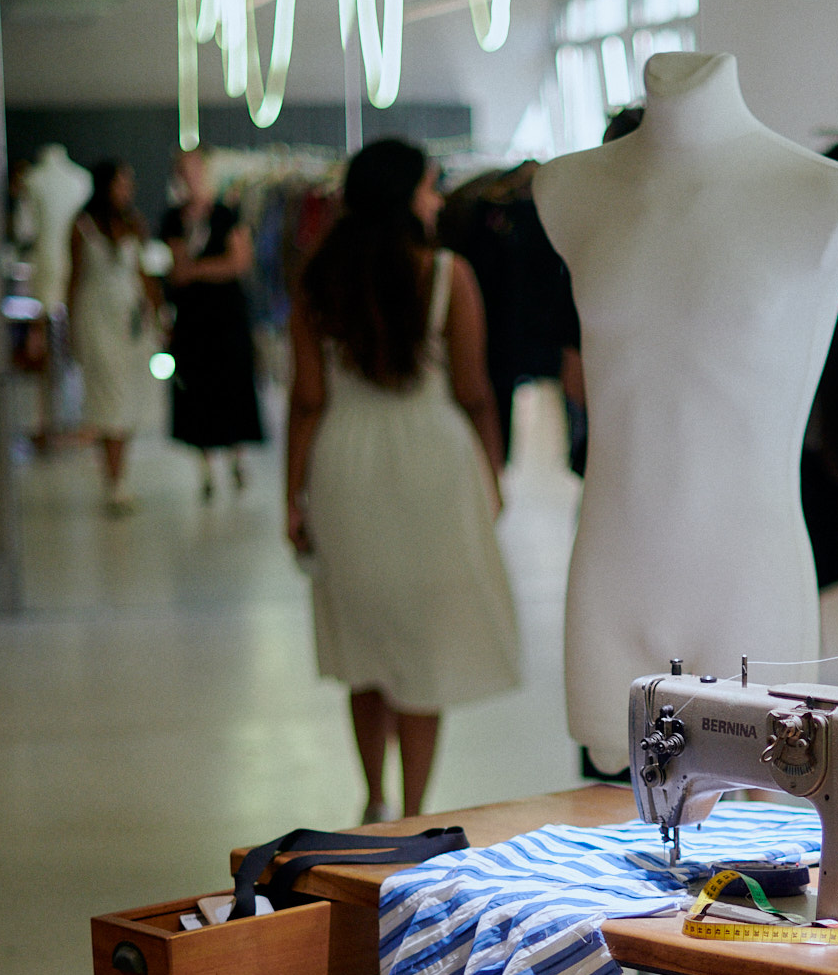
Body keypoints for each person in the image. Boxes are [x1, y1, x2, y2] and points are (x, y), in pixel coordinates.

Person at [287, 139, 519, 821]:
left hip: (344, 464)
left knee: (363, 642)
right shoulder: (447, 274)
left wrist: (293, 496)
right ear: (403, 196)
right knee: (423, 646)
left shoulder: (318, 279)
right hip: (432, 463)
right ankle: (415, 808)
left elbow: (307, 400)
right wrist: (492, 471)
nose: (438, 200)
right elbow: (475, 392)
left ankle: (373, 798)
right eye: (429, 186)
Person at [160, 149, 265, 500]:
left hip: (226, 317)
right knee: (198, 389)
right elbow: (179, 270)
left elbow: (239, 262)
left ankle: (236, 456)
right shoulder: (176, 219)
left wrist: (198, 269)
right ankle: (206, 466)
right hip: (194, 320)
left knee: (231, 384)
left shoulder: (226, 213)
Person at [67, 160, 159, 514]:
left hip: (129, 319)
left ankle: (119, 475)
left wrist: (156, 311)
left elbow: (143, 272)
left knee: (128, 396)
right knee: (108, 396)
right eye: (122, 183)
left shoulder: (134, 224)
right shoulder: (82, 226)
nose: (128, 190)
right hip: (96, 319)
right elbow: (74, 278)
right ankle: (114, 479)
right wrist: (71, 327)